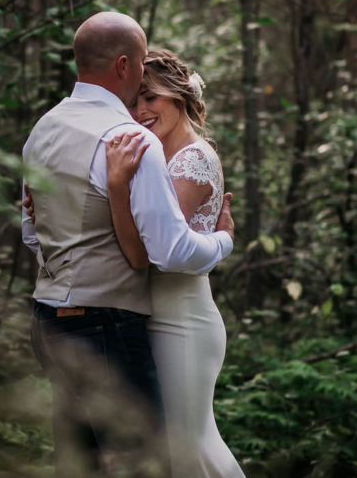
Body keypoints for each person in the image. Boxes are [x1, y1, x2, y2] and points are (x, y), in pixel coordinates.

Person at [21, 12, 235, 476]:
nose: (140, 104)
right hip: (108, 323)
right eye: (139, 69)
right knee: (143, 462)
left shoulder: (43, 130)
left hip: (50, 318)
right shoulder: (130, 141)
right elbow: (166, 252)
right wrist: (223, 241)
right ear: (124, 65)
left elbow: (32, 235)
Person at [106, 49, 246, 477]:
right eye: (133, 101)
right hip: (154, 316)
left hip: (182, 321)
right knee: (176, 448)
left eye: (150, 97)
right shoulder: (155, 158)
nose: (140, 111)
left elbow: (149, 253)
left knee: (191, 446)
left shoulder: (192, 159)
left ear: (179, 95)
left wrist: (115, 190)